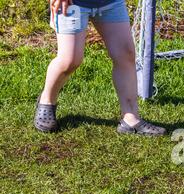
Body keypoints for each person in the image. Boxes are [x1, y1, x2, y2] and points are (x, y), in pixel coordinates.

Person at [35, 0, 167, 136]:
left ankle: (130, 118)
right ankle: (47, 99)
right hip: (72, 4)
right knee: (70, 60)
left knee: (125, 54)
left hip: (111, 2)